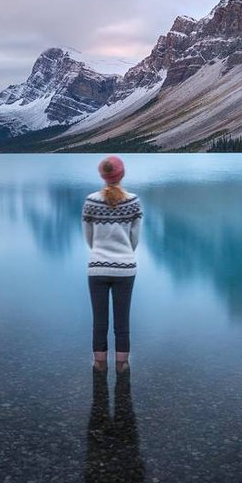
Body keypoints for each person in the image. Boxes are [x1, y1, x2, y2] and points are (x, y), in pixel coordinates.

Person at [82, 155, 142, 374]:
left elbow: (88, 238)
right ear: (122, 174)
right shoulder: (133, 201)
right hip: (125, 268)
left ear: (102, 176)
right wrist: (124, 252)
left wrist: (100, 251)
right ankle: (122, 365)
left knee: (99, 320)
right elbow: (135, 239)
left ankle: (99, 364)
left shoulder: (91, 201)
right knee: (122, 321)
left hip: (96, 267)